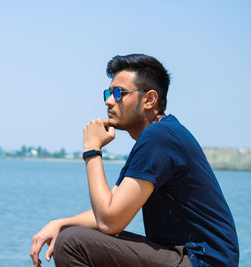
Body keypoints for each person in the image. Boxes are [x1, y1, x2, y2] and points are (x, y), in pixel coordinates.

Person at [30, 54, 239, 267]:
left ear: (149, 99)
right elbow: (111, 205)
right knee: (72, 234)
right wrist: (61, 224)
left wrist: (92, 150)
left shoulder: (160, 137)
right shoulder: (157, 136)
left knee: (72, 243)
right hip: (184, 257)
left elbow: (110, 222)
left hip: (203, 261)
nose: (109, 101)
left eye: (119, 93)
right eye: (109, 92)